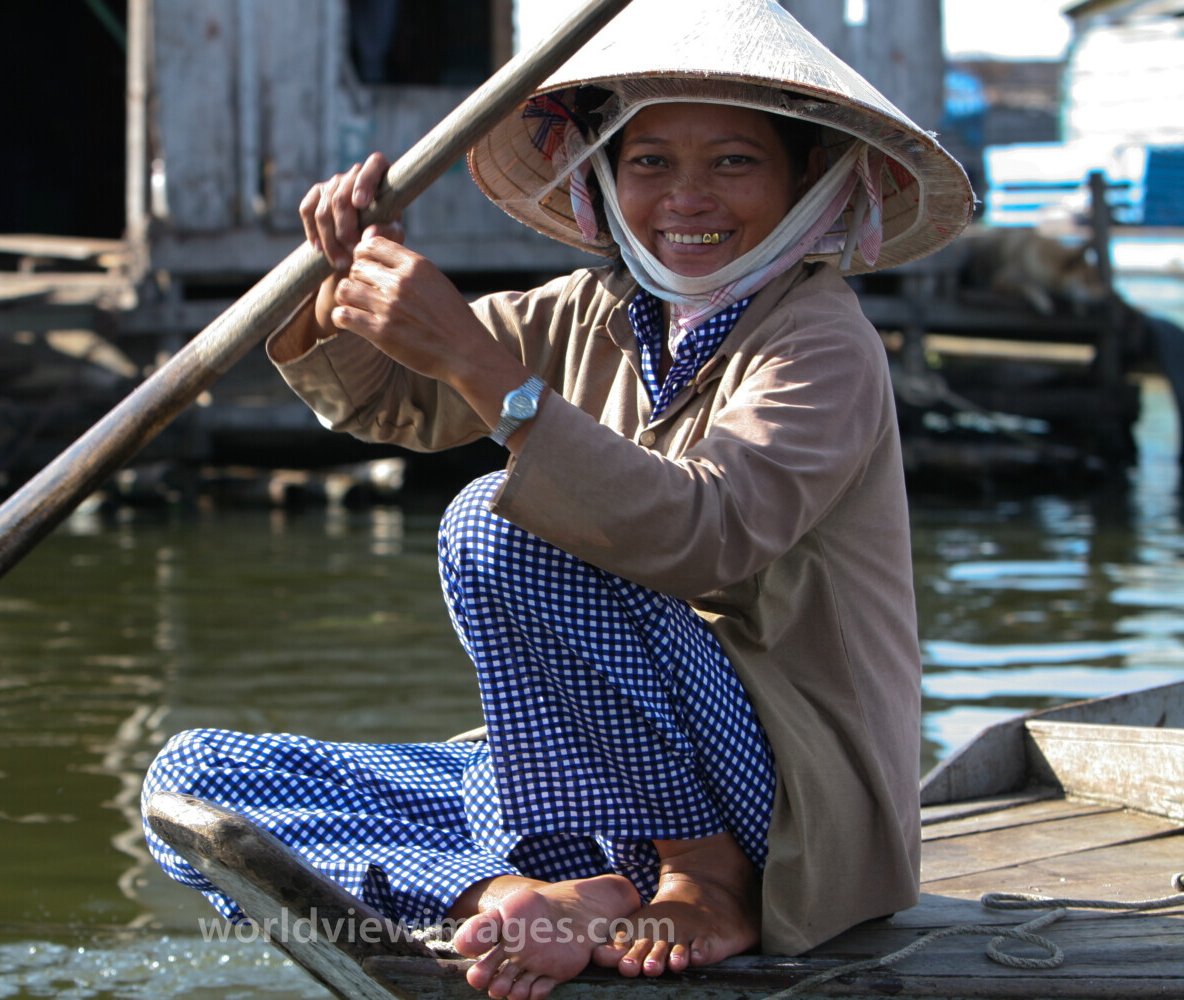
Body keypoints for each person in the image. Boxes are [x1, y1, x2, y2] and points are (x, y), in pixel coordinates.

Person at [142, 2, 973, 998]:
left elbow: (706, 535)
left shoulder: (822, 342)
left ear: (809, 179)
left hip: (773, 804)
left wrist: (480, 363)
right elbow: (393, 398)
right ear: (606, 179)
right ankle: (514, 898)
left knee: (493, 524)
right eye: (650, 160)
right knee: (194, 785)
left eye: (735, 163)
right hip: (597, 783)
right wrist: (344, 278)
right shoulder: (597, 314)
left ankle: (699, 875)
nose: (686, 197)